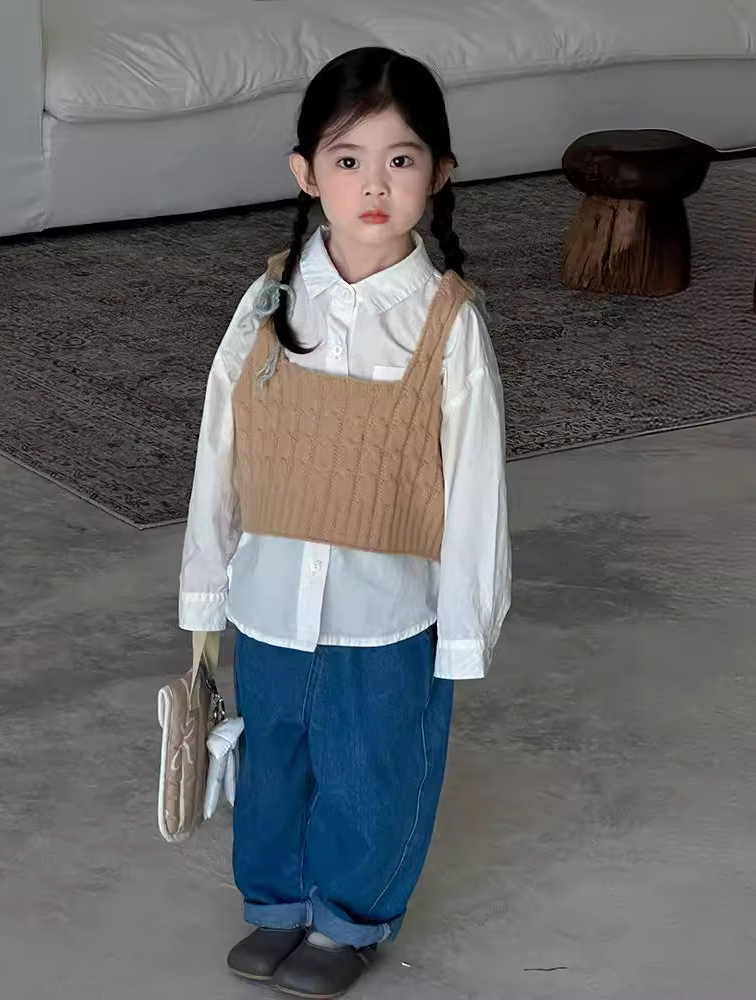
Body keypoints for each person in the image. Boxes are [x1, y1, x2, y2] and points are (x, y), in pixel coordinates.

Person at [178, 46, 511, 999]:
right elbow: (221, 448)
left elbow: (477, 485)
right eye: (348, 159)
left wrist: (465, 628)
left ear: (439, 175)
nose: (374, 185)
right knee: (272, 754)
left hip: (387, 611)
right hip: (271, 598)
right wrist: (206, 593)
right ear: (305, 172)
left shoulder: (447, 324)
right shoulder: (268, 303)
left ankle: (350, 918)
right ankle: (277, 901)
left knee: (373, 766)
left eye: (401, 160)